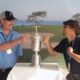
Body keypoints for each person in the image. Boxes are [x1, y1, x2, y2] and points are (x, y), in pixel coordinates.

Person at [0, 10, 27, 80]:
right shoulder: (18, 39)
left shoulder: (16, 35)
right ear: (2, 20)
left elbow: (17, 55)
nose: (12, 23)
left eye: (13, 20)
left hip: (11, 71)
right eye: (9, 20)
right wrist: (18, 41)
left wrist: (14, 69)